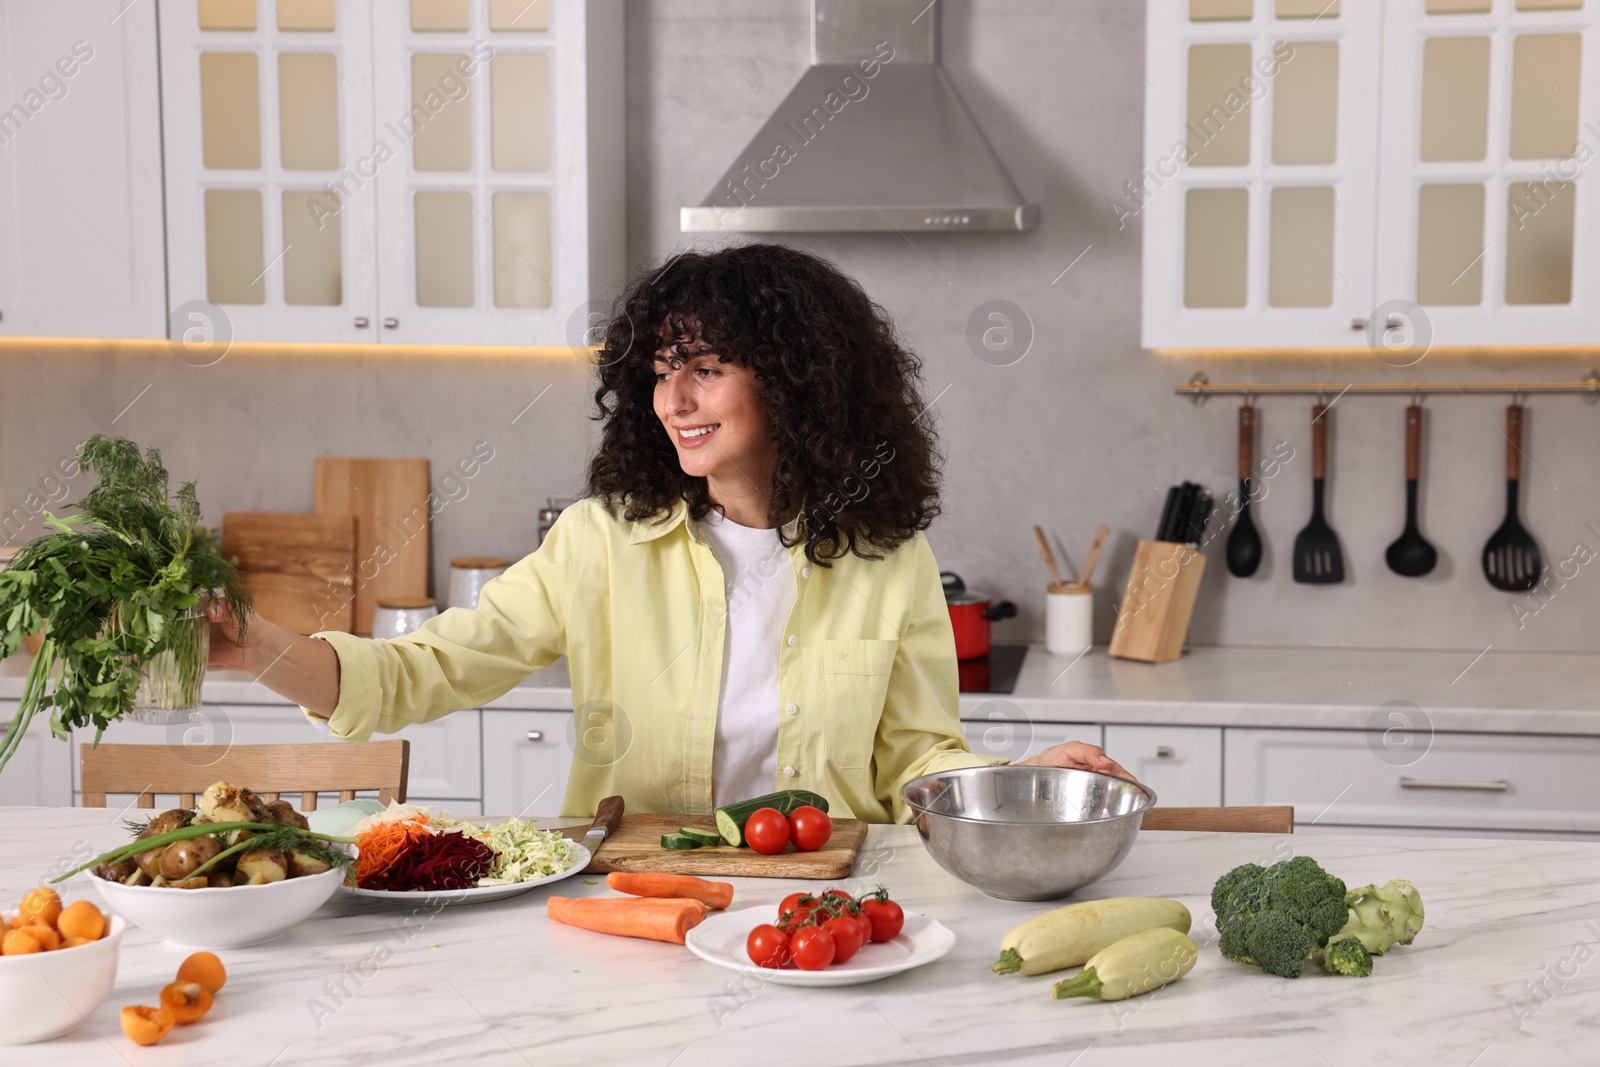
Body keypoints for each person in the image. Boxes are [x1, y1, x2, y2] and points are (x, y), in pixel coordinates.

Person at [208, 243, 1129, 820]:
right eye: (657, 372)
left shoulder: (889, 558)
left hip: (825, 900)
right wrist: (257, 646)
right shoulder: (600, 540)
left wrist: (1014, 779)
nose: (672, 401)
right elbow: (417, 672)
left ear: (796, 381)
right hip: (639, 896)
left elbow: (919, 756)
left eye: (705, 369)